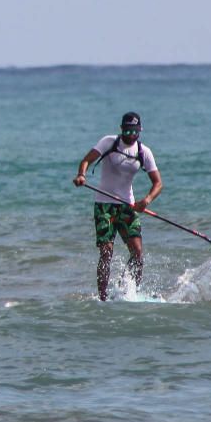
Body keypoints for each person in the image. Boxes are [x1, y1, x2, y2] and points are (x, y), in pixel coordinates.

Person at [73, 112, 162, 301]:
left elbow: (158, 184)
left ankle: (130, 292)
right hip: (104, 206)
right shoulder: (109, 142)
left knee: (137, 253)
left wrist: (146, 200)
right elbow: (86, 160)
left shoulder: (143, 152)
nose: (131, 135)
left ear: (140, 131)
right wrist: (82, 175)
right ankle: (103, 298)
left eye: (135, 131)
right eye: (127, 130)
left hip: (127, 206)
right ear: (121, 129)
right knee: (106, 251)